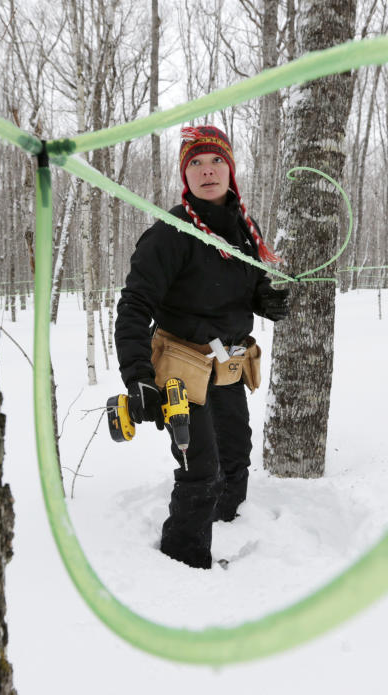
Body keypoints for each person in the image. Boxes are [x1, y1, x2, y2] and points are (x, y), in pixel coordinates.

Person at [114, 125, 290, 569]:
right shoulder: (169, 234)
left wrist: (264, 300)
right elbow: (134, 305)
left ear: (230, 170)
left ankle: (229, 527)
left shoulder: (245, 231)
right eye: (196, 163)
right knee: (201, 471)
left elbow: (241, 289)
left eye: (216, 162)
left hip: (229, 367)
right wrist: (137, 377)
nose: (207, 171)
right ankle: (184, 563)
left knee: (235, 459)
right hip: (181, 371)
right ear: (184, 173)